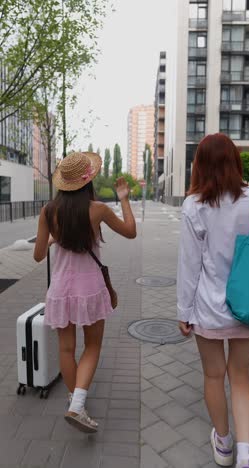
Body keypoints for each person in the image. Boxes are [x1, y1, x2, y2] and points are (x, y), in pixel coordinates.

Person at [34, 151, 136, 433]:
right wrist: (124, 197)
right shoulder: (98, 210)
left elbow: (38, 255)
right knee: (92, 346)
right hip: (90, 288)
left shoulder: (48, 212)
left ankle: (74, 401)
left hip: (59, 290)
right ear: (87, 180)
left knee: (66, 348)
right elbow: (130, 231)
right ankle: (77, 405)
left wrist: (54, 238)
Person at [177, 133, 249, 468]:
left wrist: (183, 310)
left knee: (214, 376)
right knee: (241, 377)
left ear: (199, 166)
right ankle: (245, 454)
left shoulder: (194, 205)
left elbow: (189, 264)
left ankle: (224, 445)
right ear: (235, 161)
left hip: (208, 307)